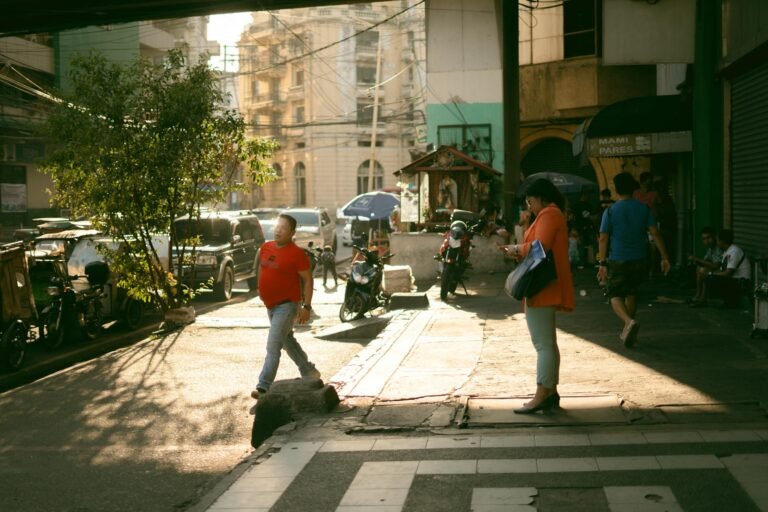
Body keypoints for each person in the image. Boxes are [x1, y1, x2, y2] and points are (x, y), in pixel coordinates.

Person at [498, 179, 575, 414]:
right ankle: (550, 391)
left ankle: (542, 393)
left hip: (542, 287)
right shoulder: (551, 214)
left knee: (543, 345)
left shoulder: (549, 215)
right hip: (545, 286)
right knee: (548, 343)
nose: (529, 206)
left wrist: (516, 249)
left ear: (540, 197)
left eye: (530, 201)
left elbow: (539, 248)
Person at [251, 214, 321, 400]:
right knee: (287, 340)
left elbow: (307, 279)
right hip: (270, 305)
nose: (278, 230)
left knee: (273, 346)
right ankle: (309, 371)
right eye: (277, 226)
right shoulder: (266, 248)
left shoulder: (297, 254)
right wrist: (260, 288)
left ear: (292, 232)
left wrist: (306, 306)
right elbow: (262, 269)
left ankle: (263, 386)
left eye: (283, 227)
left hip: (287, 305)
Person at [597, 172, 670, 348]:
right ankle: (628, 329)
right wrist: (664, 257)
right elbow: (655, 233)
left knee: (614, 294)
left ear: (617, 189)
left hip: (618, 259)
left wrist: (602, 263)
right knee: (631, 293)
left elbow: (603, 238)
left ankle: (628, 322)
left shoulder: (610, 211)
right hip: (639, 258)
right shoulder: (644, 208)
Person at [692, 229, 751, 308]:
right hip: (734, 280)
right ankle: (703, 300)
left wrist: (710, 274)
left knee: (709, 277)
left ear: (722, 241)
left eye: (717, 240)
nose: (716, 242)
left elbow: (727, 273)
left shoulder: (734, 251)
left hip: (741, 283)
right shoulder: (727, 251)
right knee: (706, 274)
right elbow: (722, 269)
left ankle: (705, 300)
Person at [687, 226, 723, 304]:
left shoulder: (718, 248)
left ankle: (702, 299)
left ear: (714, 237)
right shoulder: (710, 249)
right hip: (715, 271)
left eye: (708, 237)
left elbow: (716, 266)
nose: (706, 241)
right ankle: (698, 296)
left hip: (724, 273)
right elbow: (706, 261)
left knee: (703, 270)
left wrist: (697, 259)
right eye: (704, 239)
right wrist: (695, 260)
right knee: (699, 268)